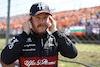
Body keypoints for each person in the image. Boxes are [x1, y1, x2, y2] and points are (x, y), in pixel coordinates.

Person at [1, 2, 78, 67]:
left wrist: (55, 31)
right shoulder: (22, 39)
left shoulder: (55, 38)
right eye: (37, 17)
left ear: (50, 20)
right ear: (30, 20)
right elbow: (5, 59)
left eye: (45, 17)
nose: (42, 21)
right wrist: (24, 34)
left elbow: (73, 54)